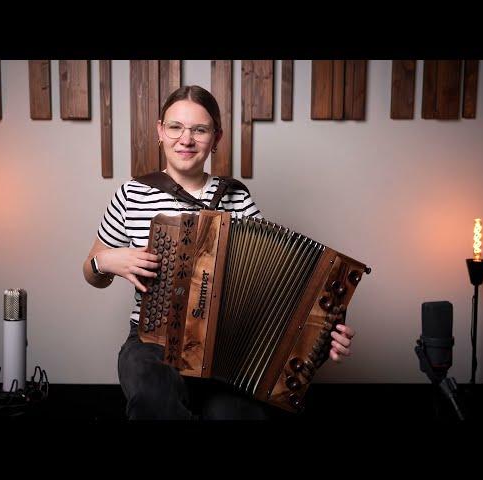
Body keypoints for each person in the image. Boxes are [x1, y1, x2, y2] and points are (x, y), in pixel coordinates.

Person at [83, 85, 356, 420]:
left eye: (200, 129)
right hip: (151, 341)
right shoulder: (131, 195)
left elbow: (274, 282)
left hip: (223, 350)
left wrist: (321, 332)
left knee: (236, 414)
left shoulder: (237, 199)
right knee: (151, 397)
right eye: (175, 127)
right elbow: (92, 274)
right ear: (160, 131)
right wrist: (105, 261)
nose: (186, 140)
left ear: (217, 138)